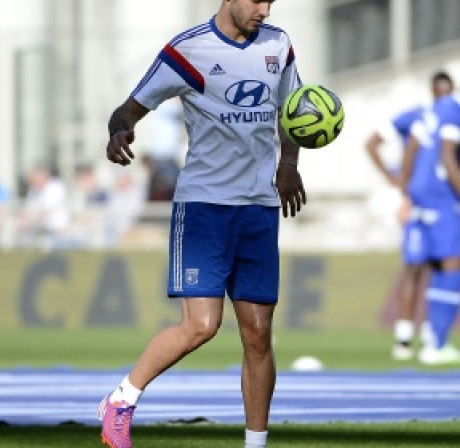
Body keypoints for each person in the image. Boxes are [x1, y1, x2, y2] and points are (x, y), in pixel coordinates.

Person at [98, 1, 305, 447]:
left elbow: (292, 111)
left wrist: (288, 164)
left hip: (258, 208)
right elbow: (129, 109)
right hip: (204, 208)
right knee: (201, 326)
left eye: (272, 1)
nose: (264, 10)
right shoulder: (187, 50)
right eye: (257, 0)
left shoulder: (279, 44)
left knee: (258, 334)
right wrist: (120, 131)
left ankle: (256, 444)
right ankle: (122, 398)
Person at [399, 69, 460, 365]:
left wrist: (406, 190)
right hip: (441, 197)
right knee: (452, 266)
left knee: (432, 267)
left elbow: (412, 148)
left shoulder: (436, 107)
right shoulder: (456, 112)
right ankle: (437, 345)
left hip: (420, 194)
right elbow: (447, 155)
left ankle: (429, 338)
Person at [364, 71, 454, 361]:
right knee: (414, 267)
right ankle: (403, 337)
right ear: (433, 91)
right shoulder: (415, 117)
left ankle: (432, 334)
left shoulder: (452, 120)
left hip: (442, 203)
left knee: (439, 268)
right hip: (415, 203)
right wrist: (396, 181)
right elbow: (372, 142)